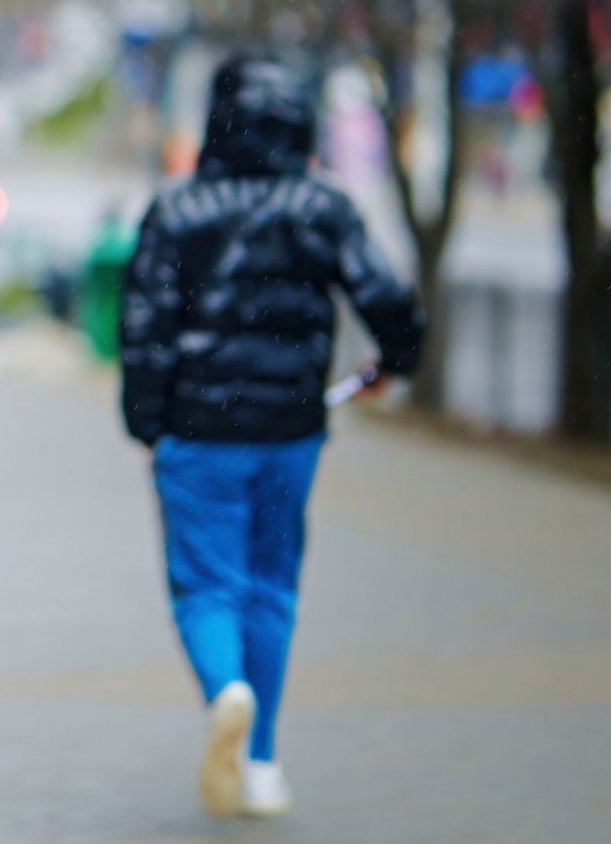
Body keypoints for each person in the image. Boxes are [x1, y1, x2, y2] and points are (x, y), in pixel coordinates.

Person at [120, 54, 424, 819]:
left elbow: (145, 327)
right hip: (293, 430)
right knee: (272, 589)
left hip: (198, 430)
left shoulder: (176, 212)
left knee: (205, 586)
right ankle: (261, 763)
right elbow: (385, 294)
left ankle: (227, 694)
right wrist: (396, 360)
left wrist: (147, 419)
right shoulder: (321, 206)